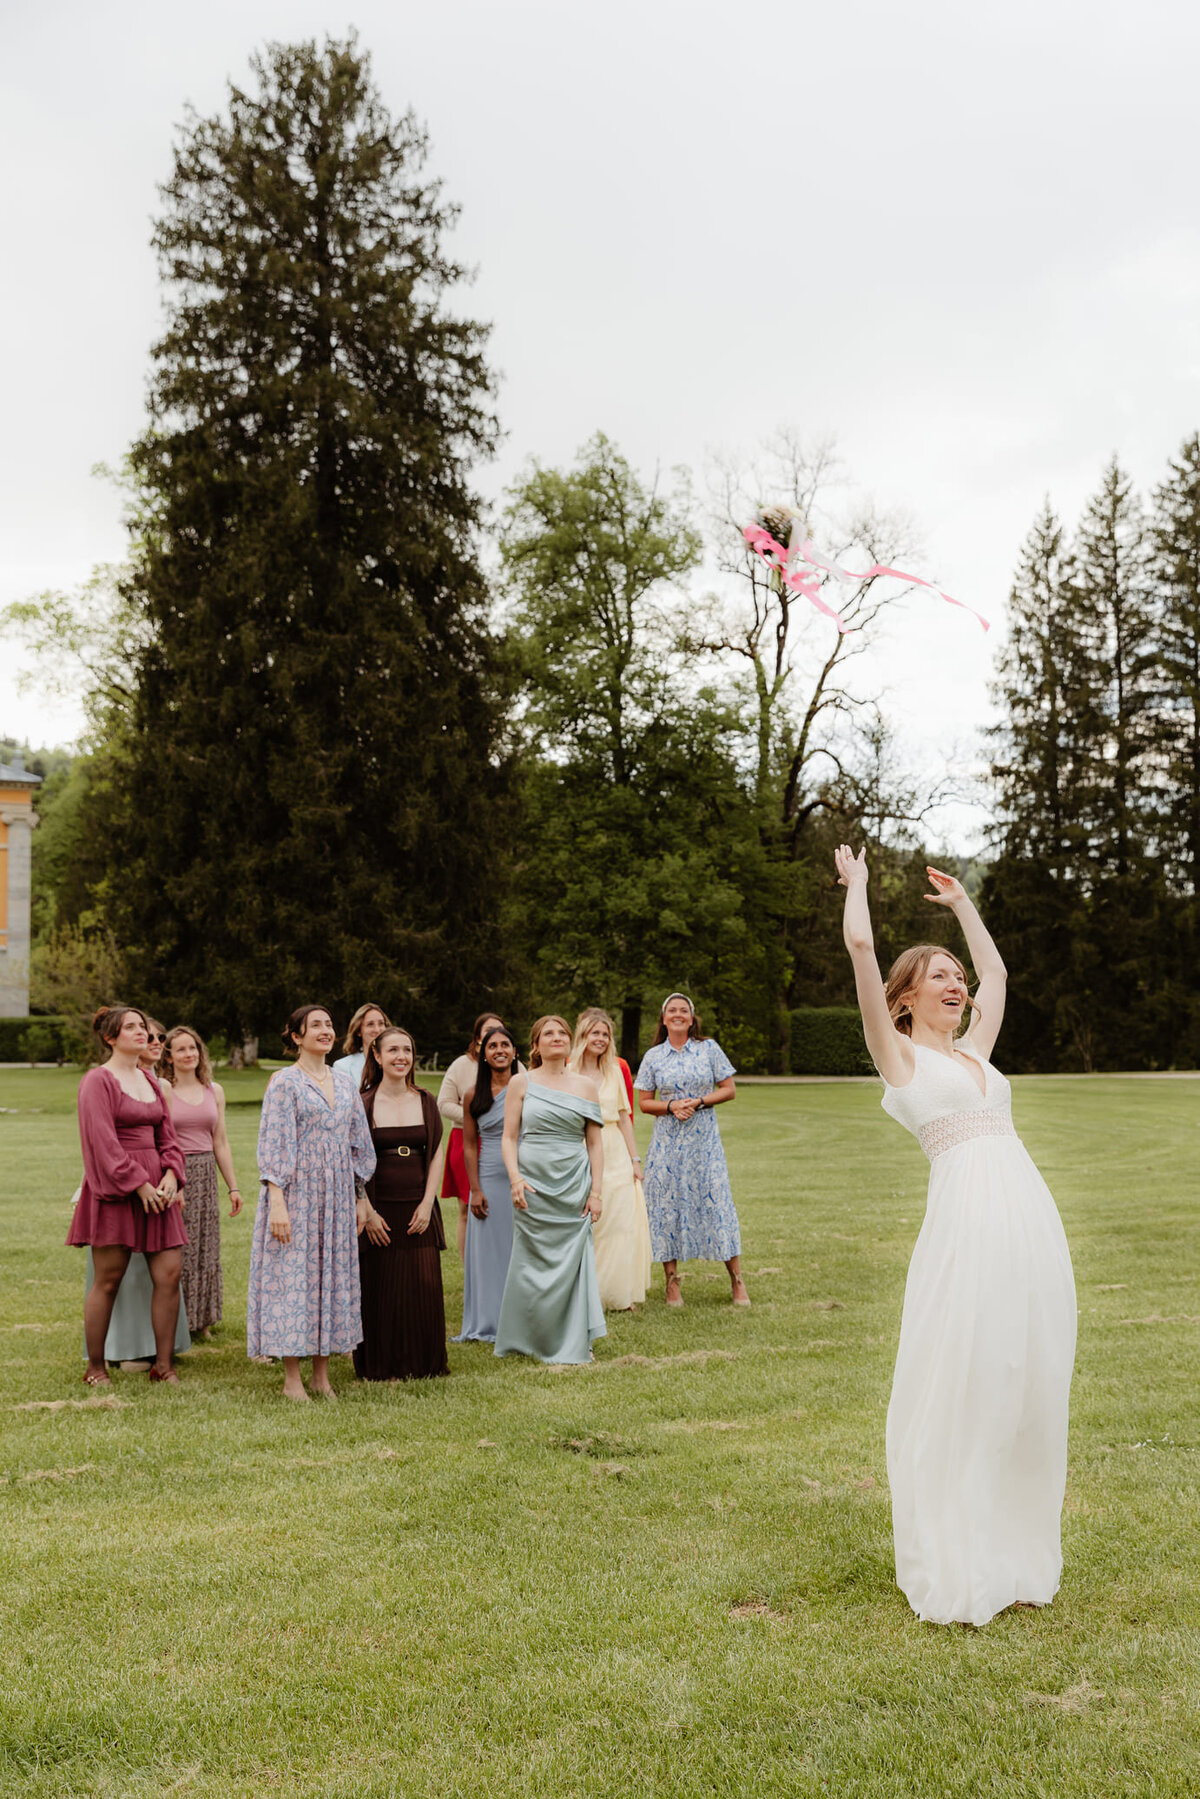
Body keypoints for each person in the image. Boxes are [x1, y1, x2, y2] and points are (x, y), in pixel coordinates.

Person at [836, 846, 1077, 1628]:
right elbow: (863, 953)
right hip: (965, 1229)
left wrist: (964, 908)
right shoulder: (899, 1060)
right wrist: (861, 888)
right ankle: (956, 1544)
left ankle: (1011, 1541)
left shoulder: (977, 1054)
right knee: (968, 1372)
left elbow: (999, 977)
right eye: (937, 973)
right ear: (906, 996)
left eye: (954, 973)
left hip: (1028, 1222)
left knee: (1026, 1371)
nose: (956, 981)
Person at [247, 1003, 376, 1401]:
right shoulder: (285, 1082)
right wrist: (277, 1201)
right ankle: (292, 1379)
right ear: (296, 1036)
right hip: (296, 1193)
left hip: (336, 1197)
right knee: (293, 1280)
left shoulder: (345, 1083)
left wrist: (360, 1198)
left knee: (329, 1278)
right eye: (314, 1025)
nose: (325, 1030)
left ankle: (322, 1375)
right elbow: (273, 1142)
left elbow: (358, 1144)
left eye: (329, 1024)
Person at [67, 1004, 188, 1386]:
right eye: (132, 1027)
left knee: (170, 1275)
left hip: (158, 1188)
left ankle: (163, 1366)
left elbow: (167, 1135)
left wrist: (171, 1174)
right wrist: (139, 1184)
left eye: (144, 1027)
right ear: (110, 1037)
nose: (143, 1034)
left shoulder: (152, 1082)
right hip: (120, 1190)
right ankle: (96, 1368)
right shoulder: (96, 1081)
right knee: (108, 1279)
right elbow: (102, 1143)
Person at [494, 1015, 606, 1366]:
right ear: (536, 1044)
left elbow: (595, 1143)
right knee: (530, 1261)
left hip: (573, 1181)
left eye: (562, 1033)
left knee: (574, 1261)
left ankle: (575, 1338)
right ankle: (529, 1338)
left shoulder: (586, 1086)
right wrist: (515, 1178)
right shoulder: (520, 1082)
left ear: (569, 1041)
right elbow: (509, 1136)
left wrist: (596, 1192)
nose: (556, 1038)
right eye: (548, 1033)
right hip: (532, 1182)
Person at [634, 994, 747, 1309]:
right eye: (673, 1010)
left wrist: (697, 1102)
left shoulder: (708, 1049)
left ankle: (737, 1279)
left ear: (692, 1017)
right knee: (667, 1207)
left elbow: (729, 1089)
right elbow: (644, 1103)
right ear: (664, 1017)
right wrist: (671, 1106)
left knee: (717, 1203)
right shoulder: (654, 1056)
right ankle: (672, 1283)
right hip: (667, 1144)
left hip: (704, 1142)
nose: (678, 1014)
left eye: (684, 1010)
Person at [354, 1026, 449, 1380]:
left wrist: (428, 1204)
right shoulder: (363, 1103)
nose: (401, 1057)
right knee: (381, 1288)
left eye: (407, 1050)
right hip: (378, 1207)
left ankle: (425, 1363)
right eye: (392, 1050)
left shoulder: (426, 1100)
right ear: (377, 1056)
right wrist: (367, 1210)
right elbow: (352, 1161)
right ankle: (380, 1366)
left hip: (418, 1206)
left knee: (422, 1285)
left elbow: (436, 1153)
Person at [162, 1025, 243, 1339]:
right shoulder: (164, 1089)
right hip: (176, 1174)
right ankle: (179, 1319)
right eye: (180, 1049)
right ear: (169, 1056)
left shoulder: (214, 1090)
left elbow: (220, 1141)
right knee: (179, 1248)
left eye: (193, 1048)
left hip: (207, 1172)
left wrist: (233, 1187)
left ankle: (204, 1320)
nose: (188, 1054)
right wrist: (173, 1180)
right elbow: (163, 1140)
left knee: (206, 1247)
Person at [570, 1008, 651, 1309]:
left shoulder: (615, 1071)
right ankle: (586, 1292)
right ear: (583, 1035)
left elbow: (624, 1116)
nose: (601, 1039)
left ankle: (617, 1293)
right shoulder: (569, 1071)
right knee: (590, 1223)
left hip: (615, 1148)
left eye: (605, 1034)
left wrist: (635, 1160)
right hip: (581, 1148)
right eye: (595, 1033)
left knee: (618, 1222)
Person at [454, 1023, 519, 1344]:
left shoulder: (528, 1088)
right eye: (492, 1046)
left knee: (519, 1247)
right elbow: (468, 1144)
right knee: (490, 1251)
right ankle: (487, 1321)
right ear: (483, 1054)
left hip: (523, 1173)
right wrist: (474, 1189)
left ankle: (520, 1316)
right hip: (489, 1176)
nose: (499, 1051)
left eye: (505, 1045)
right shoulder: (472, 1095)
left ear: (515, 1051)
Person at [437, 1012, 506, 1259]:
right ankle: (470, 1268)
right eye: (488, 1031)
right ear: (478, 1038)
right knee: (468, 1207)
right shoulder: (461, 1065)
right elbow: (443, 1103)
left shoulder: (515, 1066)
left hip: (503, 1142)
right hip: (465, 1140)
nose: (494, 1035)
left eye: (499, 1030)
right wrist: (474, 1120)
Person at [338, 1002, 391, 1091]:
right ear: (359, 1031)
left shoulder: (396, 1061)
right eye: (370, 1024)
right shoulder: (343, 1067)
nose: (377, 1030)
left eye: (381, 1023)